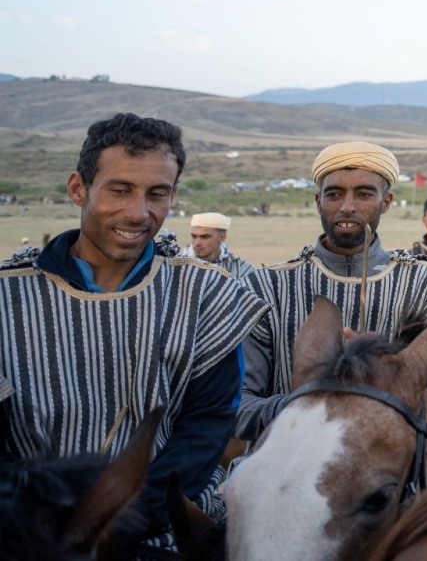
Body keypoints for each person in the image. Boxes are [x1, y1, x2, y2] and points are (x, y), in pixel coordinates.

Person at [0, 114, 266, 536]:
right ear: (78, 188)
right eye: (120, 190)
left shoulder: (206, 293)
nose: (138, 212)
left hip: (161, 526)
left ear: (173, 196)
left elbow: (207, 423)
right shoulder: (8, 295)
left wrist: (132, 517)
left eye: (156, 194)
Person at [236, 141, 427, 441]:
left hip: (399, 476)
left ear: (386, 201)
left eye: (364, 194)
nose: (347, 207)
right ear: (318, 200)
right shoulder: (266, 287)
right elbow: (236, 406)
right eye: (334, 194)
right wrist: (310, 405)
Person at [182, 210, 254, 280]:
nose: (197, 243)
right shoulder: (178, 267)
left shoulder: (239, 268)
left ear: (222, 237)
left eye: (205, 237)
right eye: (194, 236)